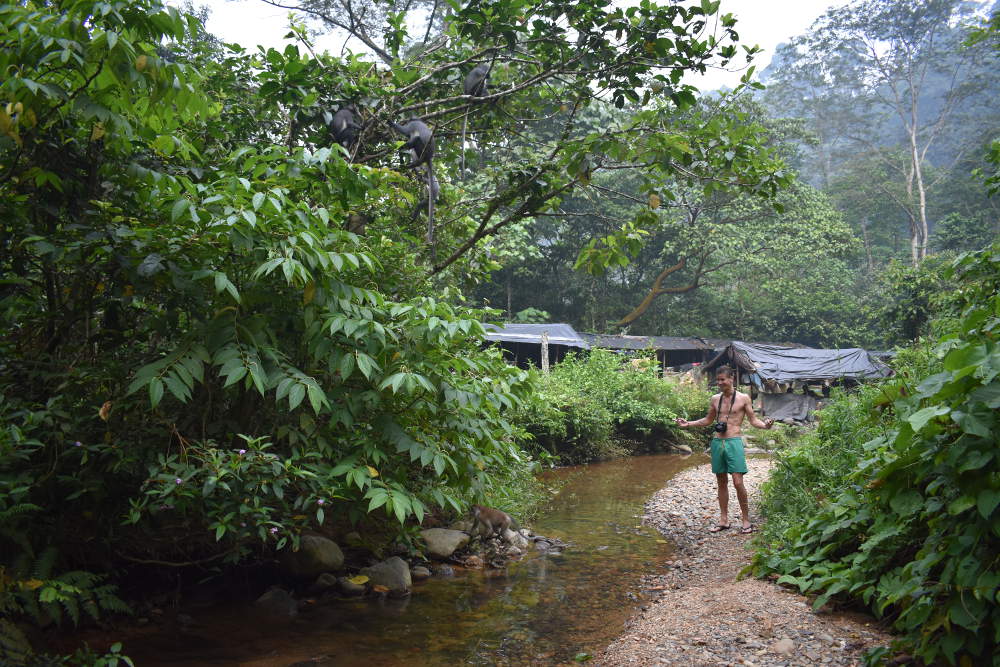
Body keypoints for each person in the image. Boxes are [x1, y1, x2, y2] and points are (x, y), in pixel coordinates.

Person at [674, 365, 773, 534]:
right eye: (718, 380)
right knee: (721, 481)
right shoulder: (714, 399)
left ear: (731, 379)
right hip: (718, 442)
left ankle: (746, 519)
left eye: (722, 380)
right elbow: (707, 420)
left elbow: (753, 420)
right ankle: (724, 519)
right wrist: (688, 424)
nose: (719, 383)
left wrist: (765, 426)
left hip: (734, 442)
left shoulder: (743, 398)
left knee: (737, 481)